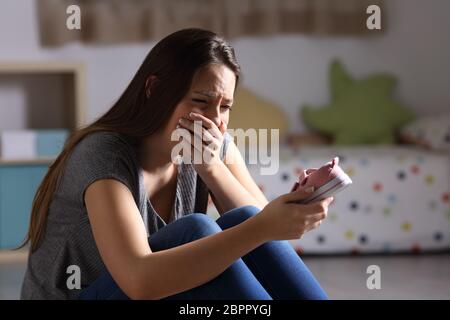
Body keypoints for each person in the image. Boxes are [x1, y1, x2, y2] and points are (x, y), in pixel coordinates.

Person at [20, 28, 331, 300]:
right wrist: (263, 225)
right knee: (196, 229)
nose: (214, 120)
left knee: (245, 218)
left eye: (225, 107)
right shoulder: (102, 155)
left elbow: (264, 233)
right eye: (201, 101)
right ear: (154, 89)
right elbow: (138, 281)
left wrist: (213, 170)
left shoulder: (216, 145)